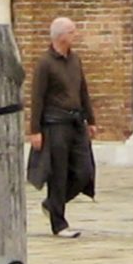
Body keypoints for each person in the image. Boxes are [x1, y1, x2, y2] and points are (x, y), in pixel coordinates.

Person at [26, 15, 96, 239]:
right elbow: (37, 97)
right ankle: (59, 223)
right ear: (61, 36)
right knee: (58, 173)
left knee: (84, 171)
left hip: (76, 122)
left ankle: (52, 204)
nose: (75, 35)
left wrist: (91, 120)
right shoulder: (45, 63)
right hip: (55, 125)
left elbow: (82, 90)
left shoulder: (75, 60)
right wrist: (35, 130)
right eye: (72, 32)